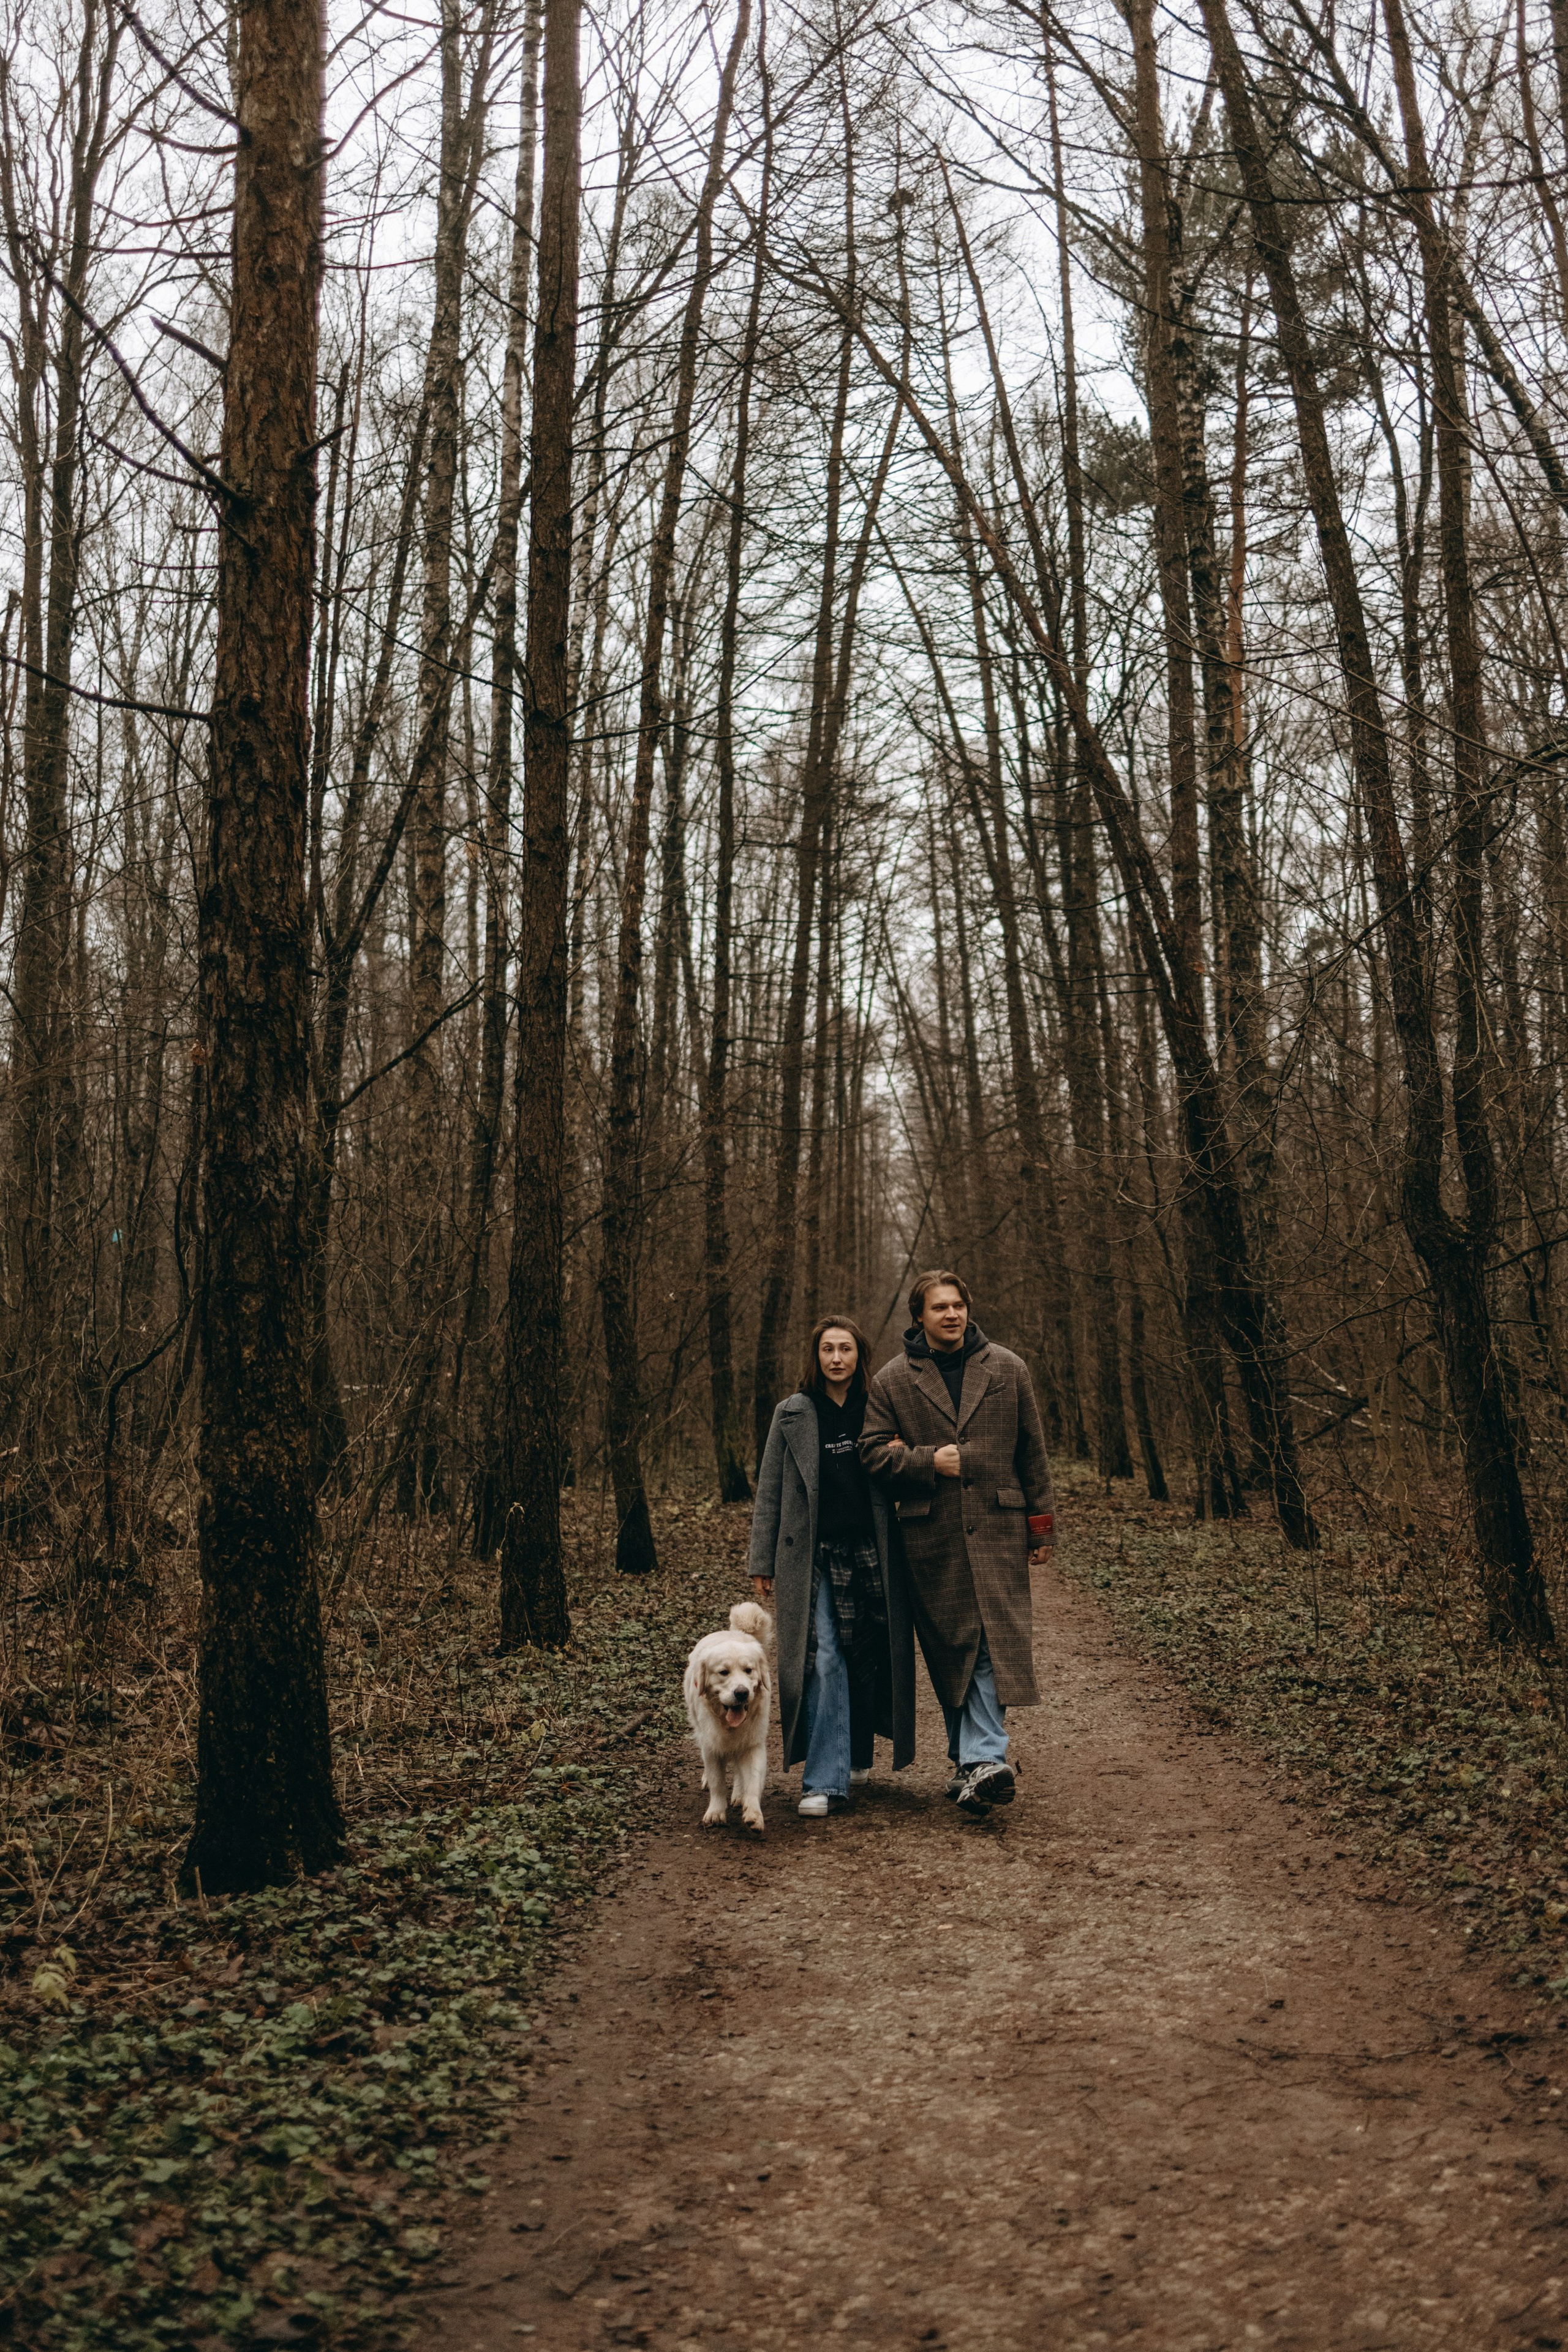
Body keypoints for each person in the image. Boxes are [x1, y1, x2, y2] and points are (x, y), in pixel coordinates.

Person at [859, 1269, 1054, 1813]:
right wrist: (927, 1461)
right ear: (919, 1317)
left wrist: (1042, 1527)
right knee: (953, 1648)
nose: (952, 1315)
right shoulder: (894, 1380)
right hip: (931, 1536)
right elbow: (872, 1452)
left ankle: (985, 1757)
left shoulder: (1008, 1368)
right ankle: (972, 1764)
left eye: (958, 1305)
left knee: (990, 1643)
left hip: (999, 1526)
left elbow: (1032, 1451)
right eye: (939, 1307)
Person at [749, 1315, 916, 1817]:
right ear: (816, 1357)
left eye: (846, 1349)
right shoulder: (793, 1413)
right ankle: (822, 1780)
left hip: (875, 1551)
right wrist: (763, 1558)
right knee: (822, 1656)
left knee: (866, 1653)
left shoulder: (880, 1407)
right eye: (827, 1350)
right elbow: (771, 1491)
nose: (836, 1358)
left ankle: (855, 1753)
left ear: (859, 1356)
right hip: (813, 1557)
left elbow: (906, 1470)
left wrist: (905, 1454)